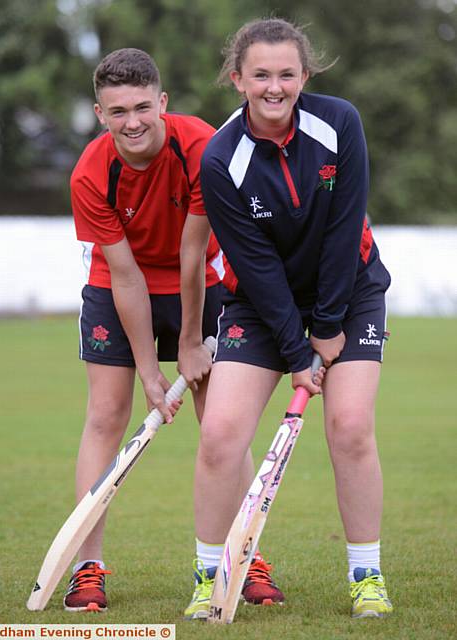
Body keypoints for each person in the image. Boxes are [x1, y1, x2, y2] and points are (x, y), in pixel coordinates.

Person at [184, 18, 393, 621]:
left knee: (350, 426)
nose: (274, 87)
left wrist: (326, 328)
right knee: (221, 435)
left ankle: (367, 575)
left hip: (350, 293)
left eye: (286, 74)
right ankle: (209, 576)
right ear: (237, 79)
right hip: (259, 301)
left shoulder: (339, 123)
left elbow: (343, 227)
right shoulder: (222, 157)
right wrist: (296, 352)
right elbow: (254, 265)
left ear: (305, 75)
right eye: (260, 75)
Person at [66, 47, 273, 613]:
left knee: (222, 425)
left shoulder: (201, 146)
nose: (131, 122)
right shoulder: (90, 171)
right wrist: (150, 371)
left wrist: (186, 343)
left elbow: (191, 254)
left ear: (162, 102)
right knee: (107, 416)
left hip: (199, 280)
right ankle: (86, 569)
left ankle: (244, 557)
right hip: (118, 285)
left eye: (141, 107)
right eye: (116, 112)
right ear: (99, 113)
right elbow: (126, 276)